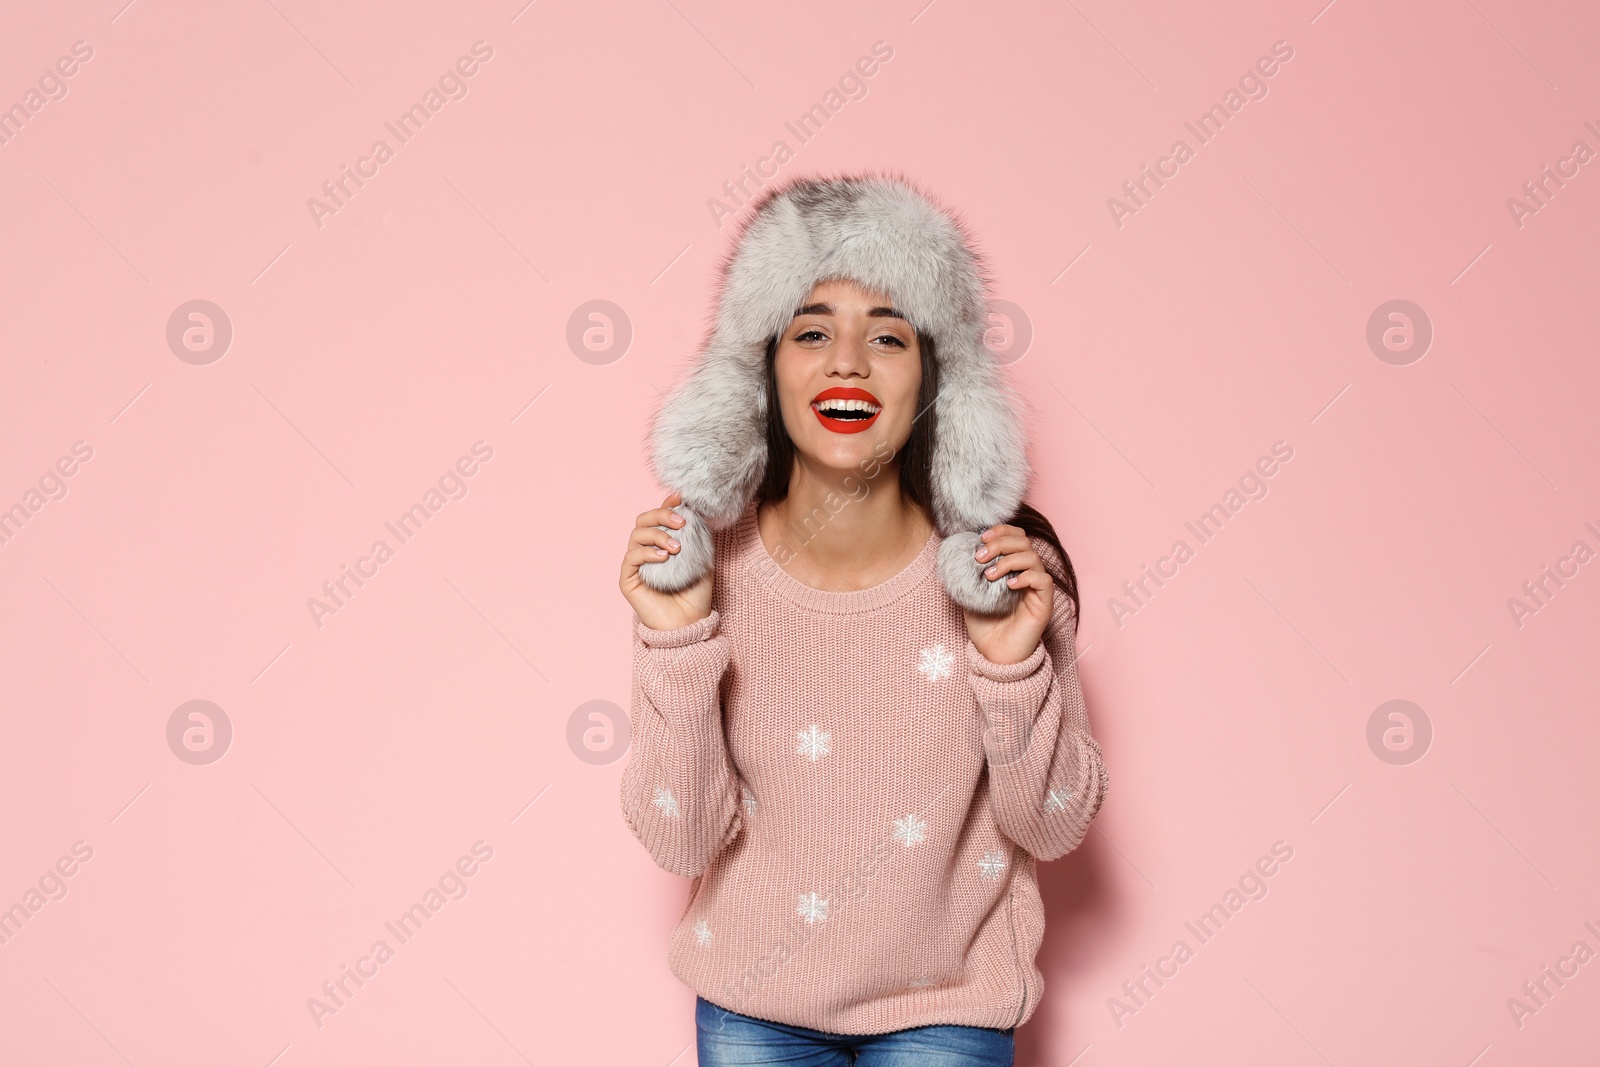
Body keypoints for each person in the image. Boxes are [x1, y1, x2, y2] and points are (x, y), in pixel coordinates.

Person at [617, 172, 1108, 1066]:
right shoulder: (701, 570)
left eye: (887, 334)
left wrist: (1010, 667)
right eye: (811, 331)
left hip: (948, 1009)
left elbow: (1057, 824)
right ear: (762, 367)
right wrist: (678, 639)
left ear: (935, 378)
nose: (847, 361)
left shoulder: (1004, 577)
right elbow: (680, 835)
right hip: (752, 1003)